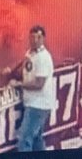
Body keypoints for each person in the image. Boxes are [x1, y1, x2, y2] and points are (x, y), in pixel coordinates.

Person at [7, 25, 56, 153]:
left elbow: (39, 84)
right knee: (37, 140)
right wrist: (10, 72)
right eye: (32, 37)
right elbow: (24, 68)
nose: (35, 40)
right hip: (32, 103)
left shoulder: (44, 58)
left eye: (38, 37)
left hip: (38, 106)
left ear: (43, 39)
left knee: (24, 140)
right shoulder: (30, 53)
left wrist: (19, 84)